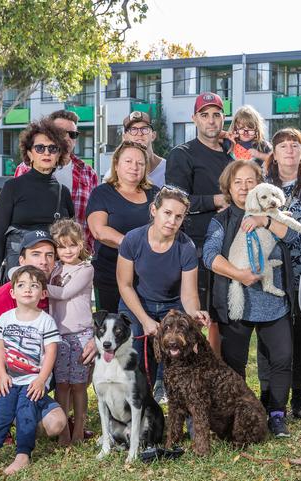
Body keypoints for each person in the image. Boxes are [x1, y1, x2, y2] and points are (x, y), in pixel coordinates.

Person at [202, 159, 295, 439]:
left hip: (274, 303)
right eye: (237, 182)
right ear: (229, 187)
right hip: (237, 304)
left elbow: (293, 238)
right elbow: (209, 256)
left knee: (282, 358)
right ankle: (240, 413)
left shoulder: (276, 213)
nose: (243, 188)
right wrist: (238, 274)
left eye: (249, 182)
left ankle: (276, 414)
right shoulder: (221, 220)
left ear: (260, 185)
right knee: (233, 364)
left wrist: (265, 220)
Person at [258, 128, 301, 419]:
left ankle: (298, 397)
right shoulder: (262, 186)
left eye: (295, 144)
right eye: (282, 145)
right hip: (270, 272)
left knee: (300, 335)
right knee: (268, 335)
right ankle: (268, 394)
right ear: (274, 151)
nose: (289, 149)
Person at [117, 186, 208, 386]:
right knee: (135, 357)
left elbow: (189, 295)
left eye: (179, 216)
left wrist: (194, 313)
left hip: (171, 305)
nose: (172, 221)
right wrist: (145, 320)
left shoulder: (186, 247)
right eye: (167, 213)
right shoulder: (132, 240)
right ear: (153, 210)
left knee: (180, 346)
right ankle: (137, 396)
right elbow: (125, 285)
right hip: (137, 301)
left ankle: (165, 386)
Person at [166, 92, 233, 354]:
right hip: (195, 247)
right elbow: (175, 202)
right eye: (204, 115)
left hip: (229, 246)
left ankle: (216, 373)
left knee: (222, 319)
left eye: (217, 114)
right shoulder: (182, 154)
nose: (211, 121)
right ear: (195, 119)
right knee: (193, 319)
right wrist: (215, 200)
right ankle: (186, 376)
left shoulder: (231, 157)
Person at [0, 231, 71, 438]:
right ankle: (0, 417)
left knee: (53, 425)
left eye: (49, 255)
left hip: (35, 381)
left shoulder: (54, 294)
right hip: (5, 384)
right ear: (22, 260)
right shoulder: (4, 297)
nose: (43, 261)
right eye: (36, 254)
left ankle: (32, 418)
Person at [0, 266, 62, 475]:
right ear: (12, 292)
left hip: (31, 382)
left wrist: (41, 380)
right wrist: (1, 374)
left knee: (26, 415)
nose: (27, 289)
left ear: (43, 293)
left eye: (34, 285)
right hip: (9, 380)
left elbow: (51, 352)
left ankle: (23, 455)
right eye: (21, 285)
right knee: (1, 415)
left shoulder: (45, 321)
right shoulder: (6, 318)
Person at [0, 119, 74, 294]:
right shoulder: (12, 187)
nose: (46, 153)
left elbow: (70, 240)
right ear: (29, 153)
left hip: (53, 279)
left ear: (59, 154)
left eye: (53, 148)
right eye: (40, 148)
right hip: (17, 276)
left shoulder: (64, 193)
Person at [86, 141, 159, 313]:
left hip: (148, 274)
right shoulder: (102, 193)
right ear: (116, 165)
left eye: (140, 163)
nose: (134, 167)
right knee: (111, 330)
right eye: (128, 161)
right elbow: (99, 230)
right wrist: (133, 244)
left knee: (148, 328)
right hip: (110, 273)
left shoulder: (155, 193)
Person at [14, 110, 98, 253]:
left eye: (72, 134)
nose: (66, 137)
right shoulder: (26, 169)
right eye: (60, 131)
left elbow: (93, 218)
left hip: (75, 256)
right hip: (36, 253)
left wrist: (86, 252)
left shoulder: (88, 173)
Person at [47, 219, 94, 446]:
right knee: (62, 385)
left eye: (72, 245)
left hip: (80, 334)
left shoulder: (85, 269)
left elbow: (65, 293)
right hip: (57, 335)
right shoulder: (54, 269)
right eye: (62, 246)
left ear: (81, 244)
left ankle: (79, 430)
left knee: (78, 385)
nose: (67, 251)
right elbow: (18, 269)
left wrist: (36, 285)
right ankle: (64, 432)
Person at [120, 111, 166, 187]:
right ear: (125, 138)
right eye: (133, 129)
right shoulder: (117, 173)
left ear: (153, 135)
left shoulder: (168, 169)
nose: (139, 133)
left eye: (144, 129)